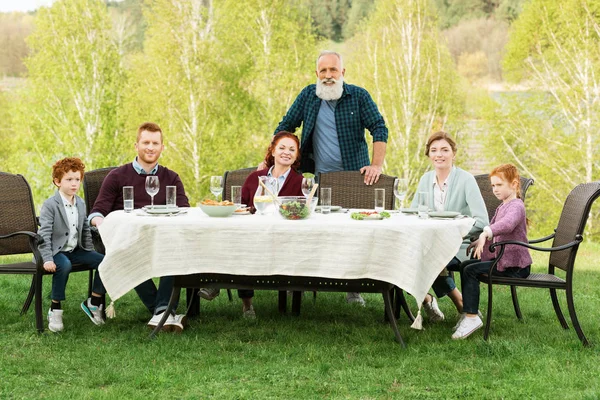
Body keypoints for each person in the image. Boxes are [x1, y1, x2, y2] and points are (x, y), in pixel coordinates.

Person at [274, 50, 389, 306]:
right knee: (308, 233)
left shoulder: (358, 96)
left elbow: (379, 127)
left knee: (354, 235)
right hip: (317, 179)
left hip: (353, 178)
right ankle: (299, 282)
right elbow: (285, 126)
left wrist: (376, 165)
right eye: (323, 71)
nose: (328, 76)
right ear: (317, 74)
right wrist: (275, 156)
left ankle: (353, 288)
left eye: (333, 70)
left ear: (342, 73)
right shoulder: (308, 96)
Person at [89, 122, 190, 332]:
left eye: (155, 143)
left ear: (162, 147)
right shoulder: (117, 176)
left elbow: (184, 210)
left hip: (163, 239)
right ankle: (165, 311)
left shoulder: (171, 177)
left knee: (174, 249)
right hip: (129, 241)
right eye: (146, 142)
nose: (150, 147)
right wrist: (102, 225)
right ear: (136, 145)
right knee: (129, 254)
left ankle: (161, 312)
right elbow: (97, 212)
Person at [200, 132, 304, 318]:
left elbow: (300, 211)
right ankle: (246, 304)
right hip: (252, 232)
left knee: (244, 245)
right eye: (281, 148)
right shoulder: (255, 177)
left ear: (296, 155)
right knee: (241, 241)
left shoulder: (299, 181)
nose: (286, 152)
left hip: (282, 237)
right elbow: (241, 207)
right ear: (272, 151)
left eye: (291, 149)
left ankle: (216, 282)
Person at [411, 131, 489, 323]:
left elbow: (482, 220)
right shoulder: (424, 180)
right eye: (434, 150)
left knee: (430, 257)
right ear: (429, 155)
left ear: (453, 153)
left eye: (445, 150)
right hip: (431, 242)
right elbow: (414, 214)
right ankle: (431, 299)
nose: (439, 154)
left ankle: (451, 301)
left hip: (461, 244)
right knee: (407, 254)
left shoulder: (466, 180)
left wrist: (454, 232)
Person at [453, 164, 532, 339]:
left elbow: (506, 225)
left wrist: (486, 232)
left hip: (516, 268)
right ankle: (469, 313)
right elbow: (493, 233)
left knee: (471, 270)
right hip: (504, 261)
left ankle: (472, 317)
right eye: (493, 186)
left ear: (514, 184)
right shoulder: (503, 206)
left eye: (499, 185)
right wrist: (479, 241)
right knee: (466, 265)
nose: (495, 189)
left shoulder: (516, 206)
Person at [38, 157, 107, 332]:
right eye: (69, 179)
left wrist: (90, 252)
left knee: (105, 262)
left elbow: (85, 230)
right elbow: (43, 234)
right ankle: (55, 308)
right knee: (65, 265)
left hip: (76, 250)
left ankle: (94, 302)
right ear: (57, 181)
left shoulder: (81, 203)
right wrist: (47, 259)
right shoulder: (50, 205)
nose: (74, 183)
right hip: (55, 252)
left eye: (77, 179)